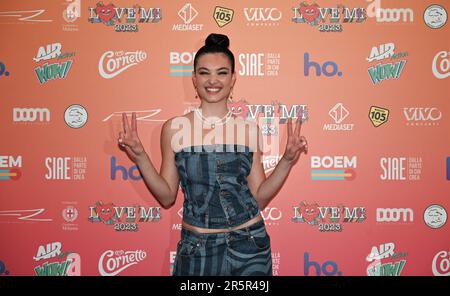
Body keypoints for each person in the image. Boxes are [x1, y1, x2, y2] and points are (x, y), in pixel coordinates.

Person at [117, 33, 308, 276]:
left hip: (249, 246)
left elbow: (259, 197)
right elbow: (166, 197)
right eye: (205, 72)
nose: (213, 80)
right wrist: (141, 156)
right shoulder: (174, 128)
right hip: (197, 251)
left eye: (222, 72)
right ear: (194, 79)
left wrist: (287, 160)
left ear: (233, 79)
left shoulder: (249, 130)